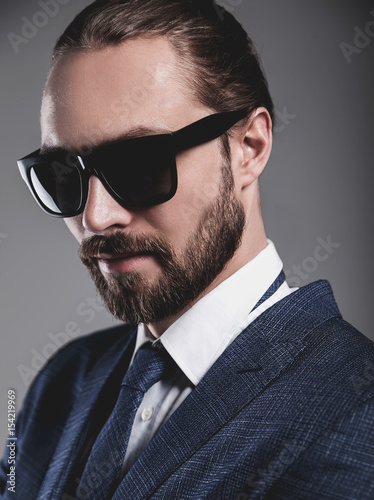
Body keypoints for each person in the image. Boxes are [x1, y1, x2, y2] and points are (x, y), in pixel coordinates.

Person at [1, 0, 374, 498]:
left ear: (249, 147)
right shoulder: (65, 378)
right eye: (63, 175)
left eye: (139, 165)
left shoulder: (356, 409)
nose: (95, 218)